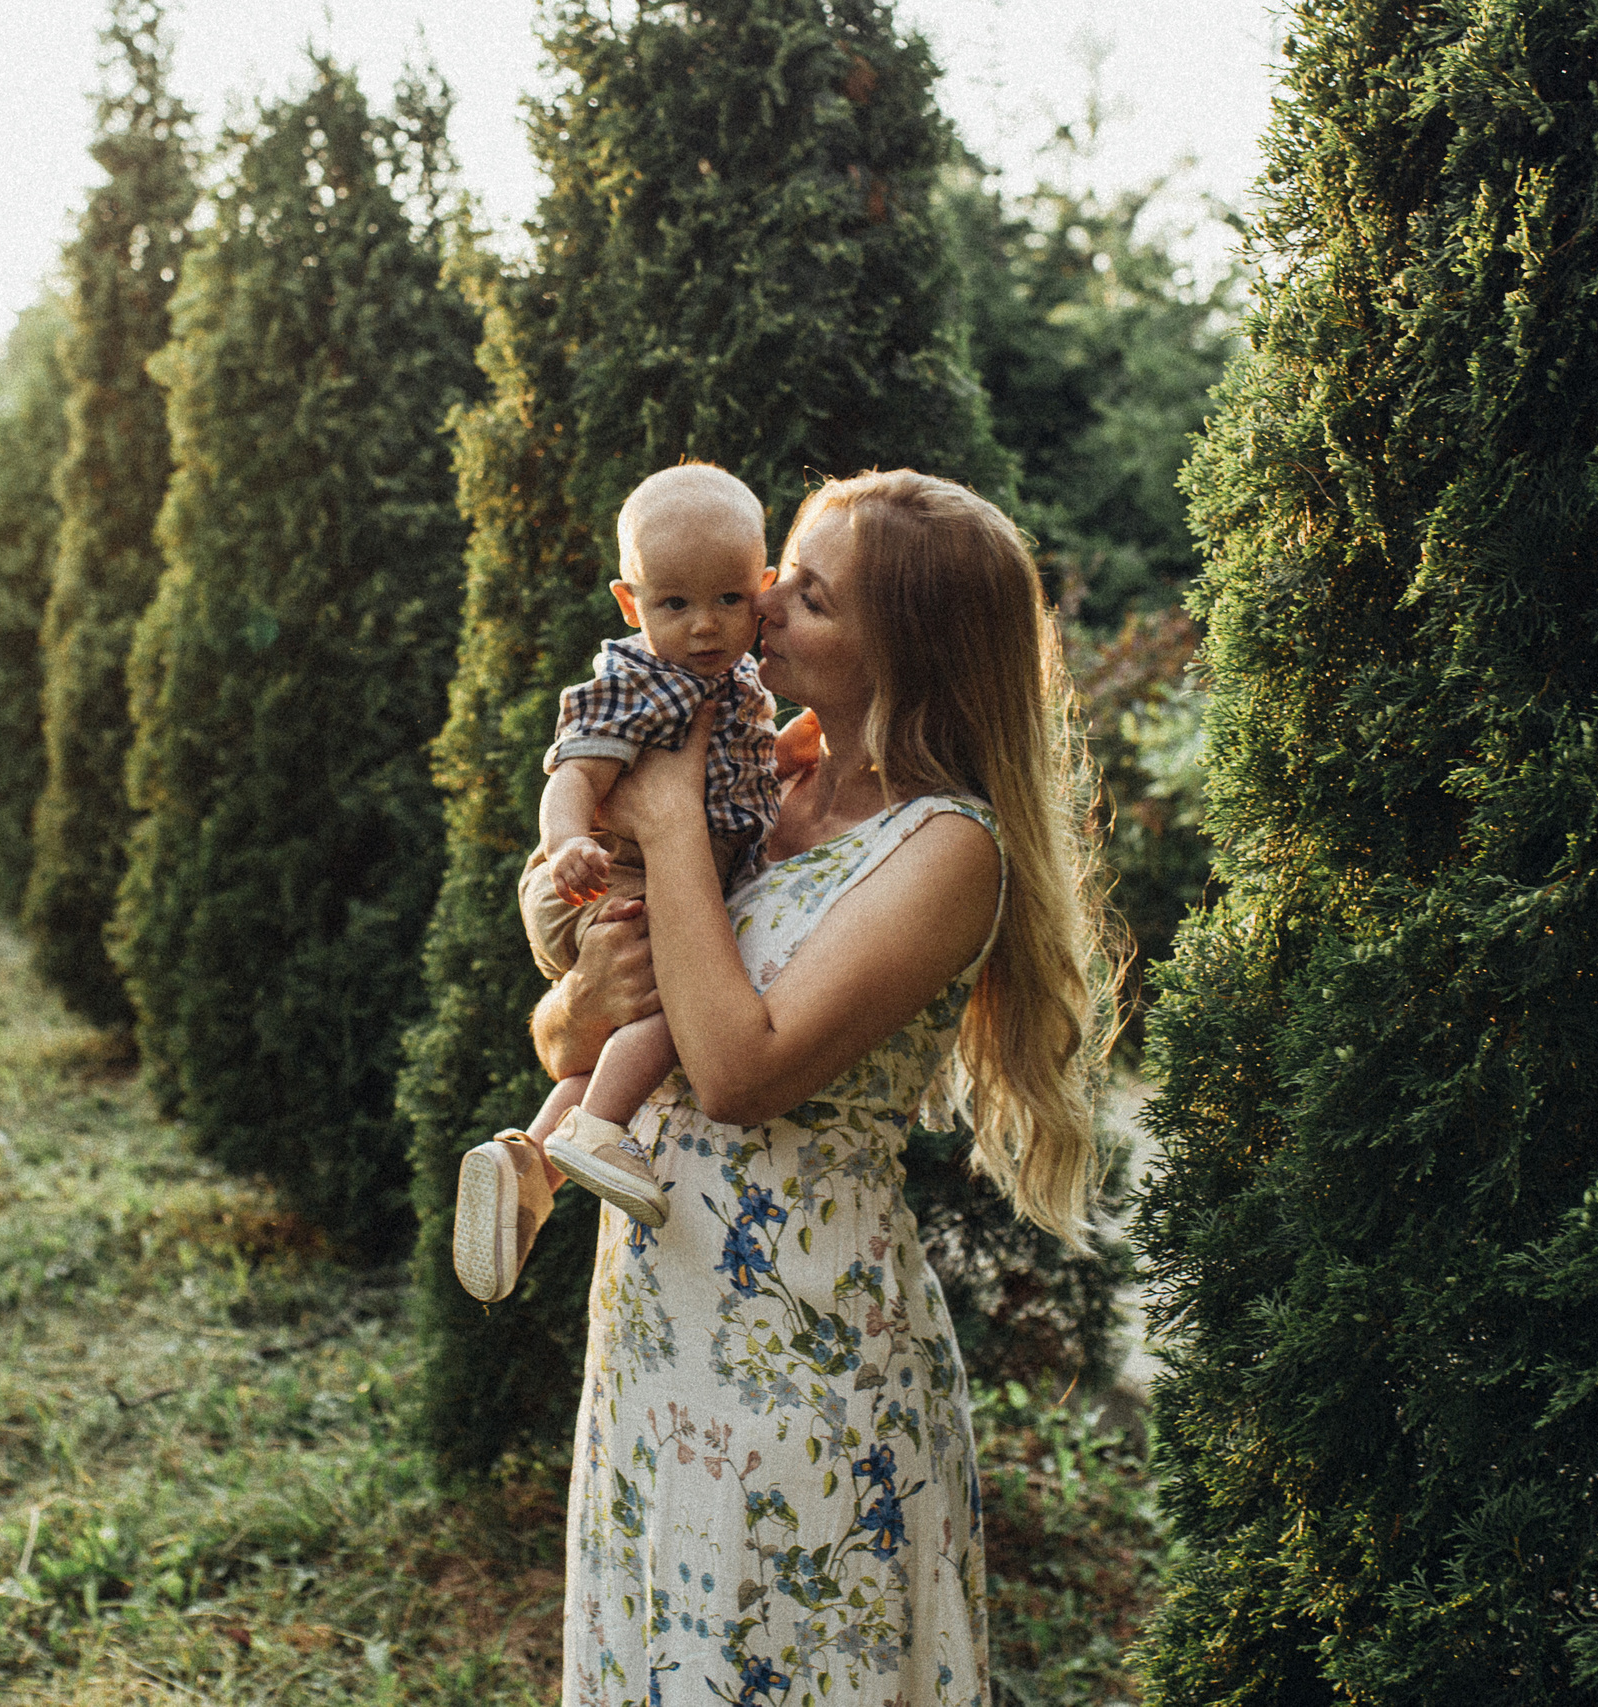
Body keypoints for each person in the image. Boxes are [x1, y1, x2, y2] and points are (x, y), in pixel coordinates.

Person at [521, 470, 1109, 1706]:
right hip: (652, 1324)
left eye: (816, 596)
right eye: (784, 568)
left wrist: (670, 822)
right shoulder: (761, 780)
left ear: (909, 650)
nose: (767, 600)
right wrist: (576, 1001)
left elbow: (737, 1075)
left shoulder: (943, 850)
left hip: (802, 1348)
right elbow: (574, 1051)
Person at [456, 464, 787, 1302]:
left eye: (728, 601)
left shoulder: (735, 681)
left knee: (631, 1037)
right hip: (601, 874)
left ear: (764, 589)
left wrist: (784, 757)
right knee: (682, 997)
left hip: (633, 880)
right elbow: (572, 774)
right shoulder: (637, 679)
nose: (706, 626)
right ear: (629, 602)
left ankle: (529, 1164)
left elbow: (730, 778)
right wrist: (566, 841)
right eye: (675, 604)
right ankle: (599, 1131)